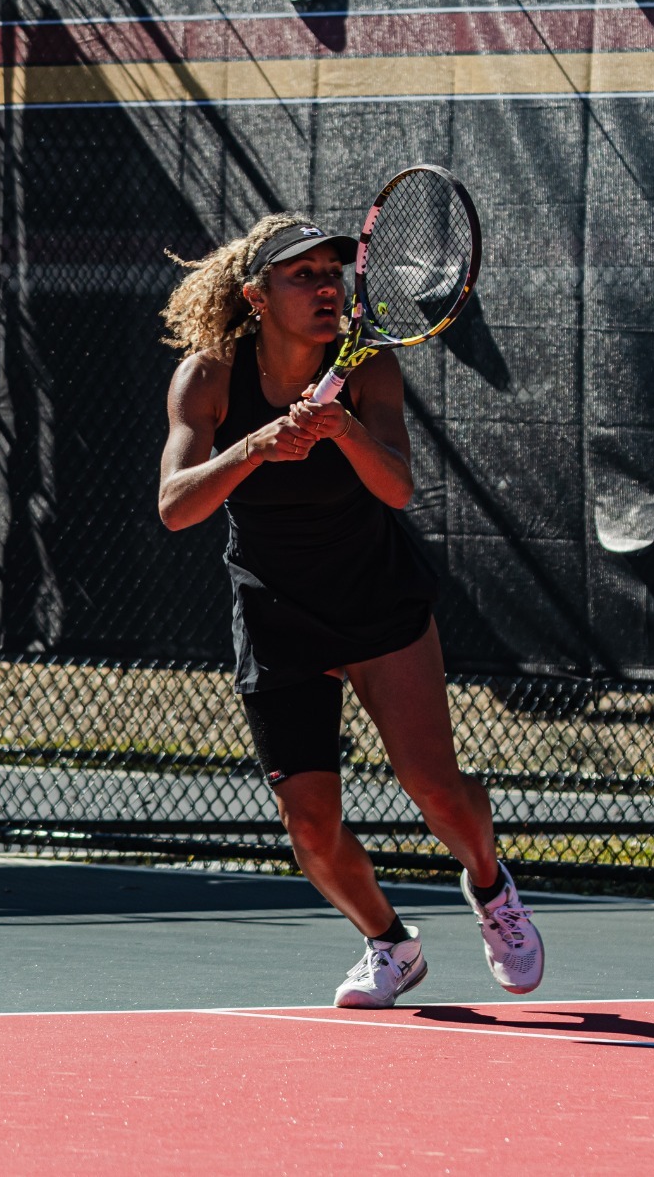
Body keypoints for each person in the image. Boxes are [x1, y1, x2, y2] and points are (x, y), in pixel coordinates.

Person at [156, 213, 542, 1009]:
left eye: (334, 271)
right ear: (258, 296)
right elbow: (174, 505)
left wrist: (343, 431)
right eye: (303, 275)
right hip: (277, 615)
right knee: (310, 828)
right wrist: (257, 445)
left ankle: (490, 883)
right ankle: (390, 942)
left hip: (376, 599)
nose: (327, 285)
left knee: (432, 785)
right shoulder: (210, 377)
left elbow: (397, 488)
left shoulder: (367, 370)